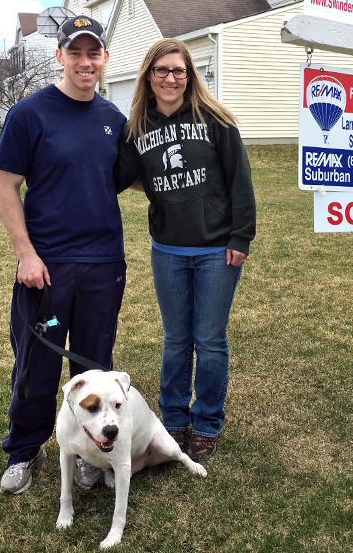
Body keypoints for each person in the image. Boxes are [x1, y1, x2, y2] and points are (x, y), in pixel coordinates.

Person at [0, 16, 127, 494]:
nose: (85, 62)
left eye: (94, 53)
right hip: (45, 266)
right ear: (60, 57)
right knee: (37, 366)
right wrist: (25, 254)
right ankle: (24, 452)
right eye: (76, 53)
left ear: (105, 58)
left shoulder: (114, 119)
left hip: (104, 262)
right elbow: (6, 186)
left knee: (93, 366)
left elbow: (127, 176)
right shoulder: (29, 114)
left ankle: (91, 454)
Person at [114, 38, 256, 461]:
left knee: (209, 340)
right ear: (149, 77)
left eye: (178, 70)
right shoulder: (137, 129)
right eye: (161, 71)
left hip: (217, 251)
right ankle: (173, 419)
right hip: (168, 251)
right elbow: (122, 176)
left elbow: (240, 183)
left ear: (190, 75)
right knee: (176, 340)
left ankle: (208, 420)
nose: (170, 78)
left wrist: (240, 238)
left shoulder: (216, 120)